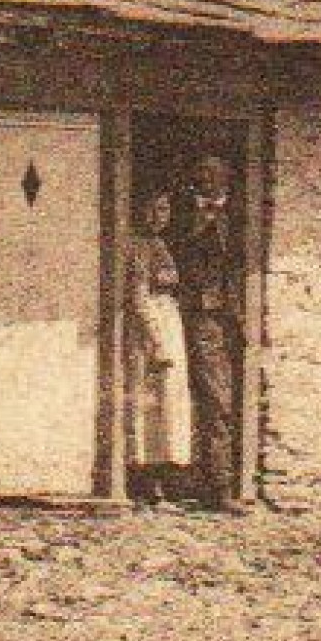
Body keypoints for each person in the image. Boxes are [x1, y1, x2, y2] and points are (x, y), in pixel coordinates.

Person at [174, 153, 248, 515]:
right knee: (195, 398)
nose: (208, 179)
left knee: (221, 400)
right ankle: (202, 483)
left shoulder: (240, 218)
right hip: (189, 315)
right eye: (202, 172)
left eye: (216, 173)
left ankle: (217, 483)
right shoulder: (181, 214)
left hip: (225, 318)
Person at [130, 191, 192, 506]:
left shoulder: (161, 244)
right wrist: (156, 341)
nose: (160, 215)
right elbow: (140, 298)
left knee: (171, 405)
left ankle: (167, 483)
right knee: (153, 406)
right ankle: (148, 485)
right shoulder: (139, 246)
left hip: (170, 320)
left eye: (166, 208)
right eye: (153, 208)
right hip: (154, 328)